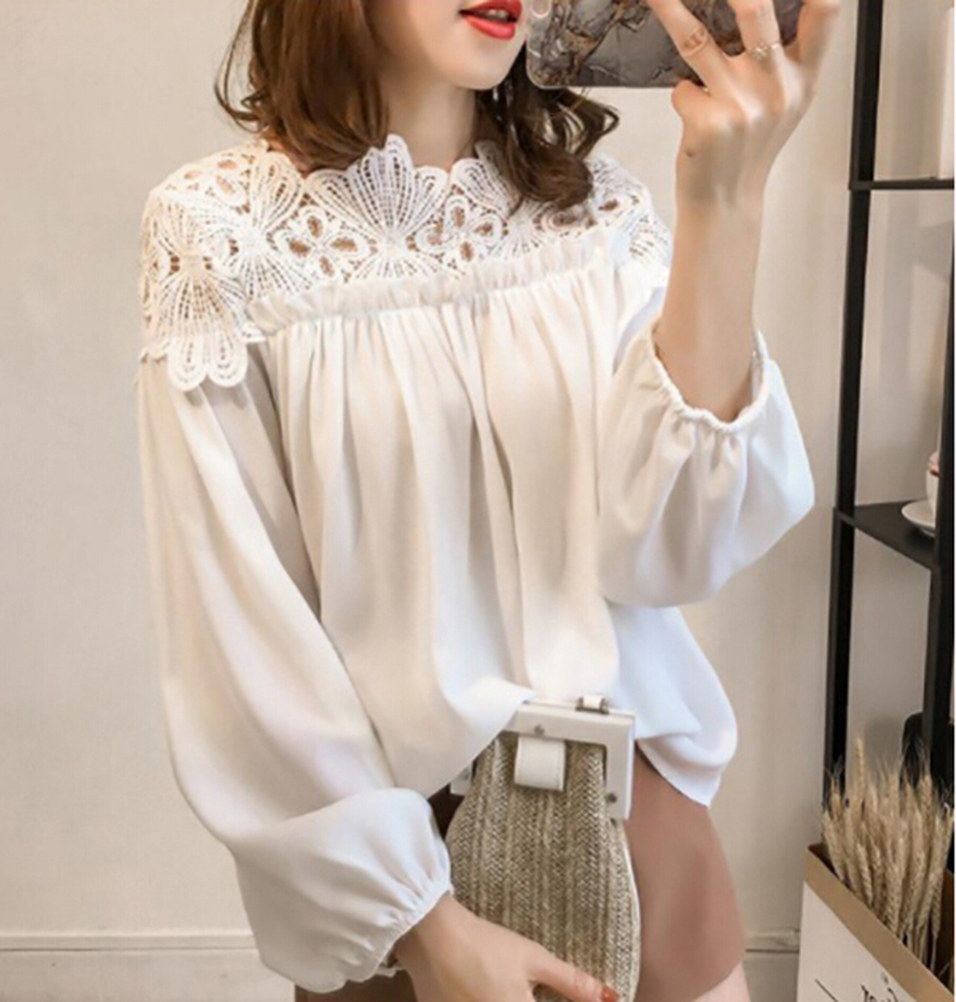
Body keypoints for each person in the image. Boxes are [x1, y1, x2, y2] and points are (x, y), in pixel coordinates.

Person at [133, 1, 838, 1001]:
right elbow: (241, 636)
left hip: (650, 853)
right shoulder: (219, 235)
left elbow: (674, 549)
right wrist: (426, 928)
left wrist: (729, 198)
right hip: (412, 898)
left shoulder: (601, 217)